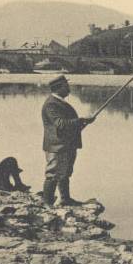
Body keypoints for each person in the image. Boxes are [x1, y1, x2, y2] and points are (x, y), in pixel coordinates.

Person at [41, 75, 94, 206]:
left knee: (65, 173)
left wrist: (83, 122)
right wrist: (82, 120)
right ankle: (47, 203)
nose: (69, 88)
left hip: (66, 144)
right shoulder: (51, 104)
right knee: (53, 174)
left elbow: (67, 125)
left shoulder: (58, 102)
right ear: (59, 88)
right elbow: (60, 124)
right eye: (66, 86)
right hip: (57, 146)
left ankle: (65, 199)